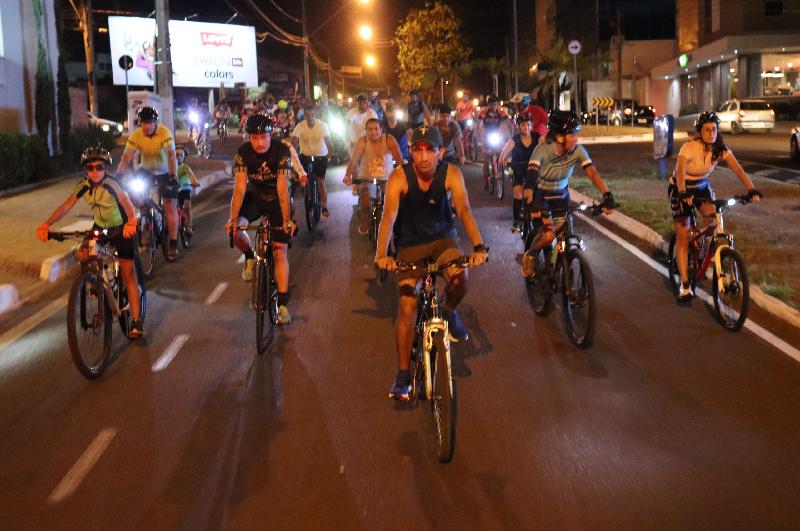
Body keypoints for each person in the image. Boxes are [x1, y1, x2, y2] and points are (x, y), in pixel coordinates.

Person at [375, 126, 489, 399]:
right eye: (418, 150)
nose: (424, 157)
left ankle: (449, 311)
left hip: (443, 240)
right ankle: (403, 375)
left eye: (430, 150)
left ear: (440, 152)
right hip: (409, 245)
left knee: (460, 278)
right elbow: (389, 216)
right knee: (407, 305)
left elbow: (463, 210)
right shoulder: (398, 178)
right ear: (411, 152)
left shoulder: (451, 173)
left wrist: (478, 246)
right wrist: (382, 255)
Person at [36, 147, 144, 338]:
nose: (95, 172)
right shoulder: (83, 185)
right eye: (90, 168)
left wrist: (132, 222)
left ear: (106, 168)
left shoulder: (112, 183)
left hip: (120, 227)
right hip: (100, 226)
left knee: (128, 271)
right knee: (85, 251)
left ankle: (136, 320)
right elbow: (66, 206)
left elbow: (126, 202)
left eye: (99, 167)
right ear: (85, 170)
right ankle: (94, 281)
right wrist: (46, 224)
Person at [669, 111, 762, 302]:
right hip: (681, 189)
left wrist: (751, 189)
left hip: (702, 188)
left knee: (714, 219)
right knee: (683, 233)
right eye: (707, 130)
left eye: (714, 129)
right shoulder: (688, 147)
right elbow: (680, 172)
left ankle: (702, 250)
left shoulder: (720, 149)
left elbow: (737, 169)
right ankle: (685, 285)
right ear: (700, 132)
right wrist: (683, 193)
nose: (711, 133)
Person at [521, 111, 616, 277]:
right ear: (559, 137)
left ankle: (562, 262)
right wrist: (529, 196)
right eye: (572, 135)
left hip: (562, 195)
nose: (575, 139)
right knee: (549, 234)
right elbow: (531, 175)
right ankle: (531, 254)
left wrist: (607, 195)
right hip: (542, 195)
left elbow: (592, 173)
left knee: (564, 233)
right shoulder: (542, 150)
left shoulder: (577, 151)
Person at [227, 113, 295, 325]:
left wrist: (286, 219)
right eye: (254, 138)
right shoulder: (243, 153)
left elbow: (283, 187)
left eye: (263, 137)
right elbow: (239, 189)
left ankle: (283, 305)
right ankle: (249, 256)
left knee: (279, 250)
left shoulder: (281, 150)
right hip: (255, 197)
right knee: (236, 231)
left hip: (277, 199)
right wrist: (233, 219)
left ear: (270, 134)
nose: (259, 142)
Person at [116, 106, 180, 260]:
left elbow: (171, 156)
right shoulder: (136, 135)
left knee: (169, 204)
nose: (146, 126)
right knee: (131, 192)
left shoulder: (164, 132)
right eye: (143, 123)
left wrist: (172, 176)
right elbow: (126, 157)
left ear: (155, 122)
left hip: (165, 172)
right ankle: (145, 212)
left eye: (150, 122)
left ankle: (173, 241)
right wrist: (118, 176)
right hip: (147, 170)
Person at [343, 118, 404, 235]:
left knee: (396, 202)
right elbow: (354, 160)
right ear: (365, 131)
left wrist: (405, 173)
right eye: (370, 129)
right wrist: (347, 174)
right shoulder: (362, 141)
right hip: (366, 179)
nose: (373, 132)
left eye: (376, 129)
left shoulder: (389, 139)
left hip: (387, 179)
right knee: (365, 200)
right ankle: (365, 221)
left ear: (381, 130)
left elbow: (399, 157)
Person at [291, 104, 333, 217]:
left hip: (321, 156)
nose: (310, 118)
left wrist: (331, 152)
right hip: (305, 156)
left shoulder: (322, 125)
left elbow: (328, 140)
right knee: (303, 178)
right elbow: (294, 141)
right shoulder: (300, 126)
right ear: (304, 116)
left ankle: (324, 206)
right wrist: (292, 154)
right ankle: (306, 192)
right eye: (307, 115)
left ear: (316, 115)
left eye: (312, 115)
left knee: (320, 180)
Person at [499, 115, 537, 232]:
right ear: (519, 127)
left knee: (537, 193)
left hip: (533, 169)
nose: (526, 127)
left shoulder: (538, 138)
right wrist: (502, 158)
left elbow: (547, 148)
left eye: (528, 124)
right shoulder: (514, 139)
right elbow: (505, 151)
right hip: (517, 168)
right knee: (518, 194)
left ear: (531, 125)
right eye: (523, 125)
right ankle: (516, 221)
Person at [479, 96, 512, 185]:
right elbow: (479, 125)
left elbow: (507, 123)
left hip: (498, 135)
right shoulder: (483, 113)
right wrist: (481, 137)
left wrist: (510, 134)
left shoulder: (501, 112)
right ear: (489, 105)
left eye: (495, 104)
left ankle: (499, 169)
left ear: (497, 105)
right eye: (492, 105)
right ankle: (486, 176)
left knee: (501, 153)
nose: (494, 106)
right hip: (487, 136)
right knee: (486, 157)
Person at [175, 146, 200, 236]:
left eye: (181, 155)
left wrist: (195, 182)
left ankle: (189, 226)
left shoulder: (185, 167)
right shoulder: (169, 167)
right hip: (173, 190)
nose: (179, 157)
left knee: (187, 206)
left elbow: (191, 175)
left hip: (184, 189)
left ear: (184, 156)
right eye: (177, 155)